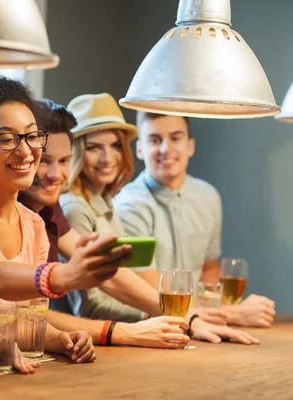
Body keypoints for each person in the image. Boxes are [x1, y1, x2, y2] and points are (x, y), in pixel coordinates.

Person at [0, 75, 178, 362]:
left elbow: (29, 318)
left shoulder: (33, 224)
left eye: (31, 135)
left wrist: (61, 339)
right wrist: (63, 275)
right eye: (6, 138)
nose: (26, 150)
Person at [18, 97, 257, 346]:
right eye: (44, 160)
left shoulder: (57, 207)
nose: (55, 174)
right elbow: (22, 314)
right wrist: (142, 327)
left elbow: (110, 275)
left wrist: (189, 318)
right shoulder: (74, 204)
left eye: (63, 160)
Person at [114, 111, 276, 329]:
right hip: (151, 328)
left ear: (190, 146)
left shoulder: (208, 196)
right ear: (140, 149)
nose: (165, 149)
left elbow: (209, 270)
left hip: (200, 329)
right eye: (155, 140)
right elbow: (156, 294)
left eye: (175, 138)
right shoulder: (127, 205)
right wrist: (233, 314)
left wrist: (216, 313)